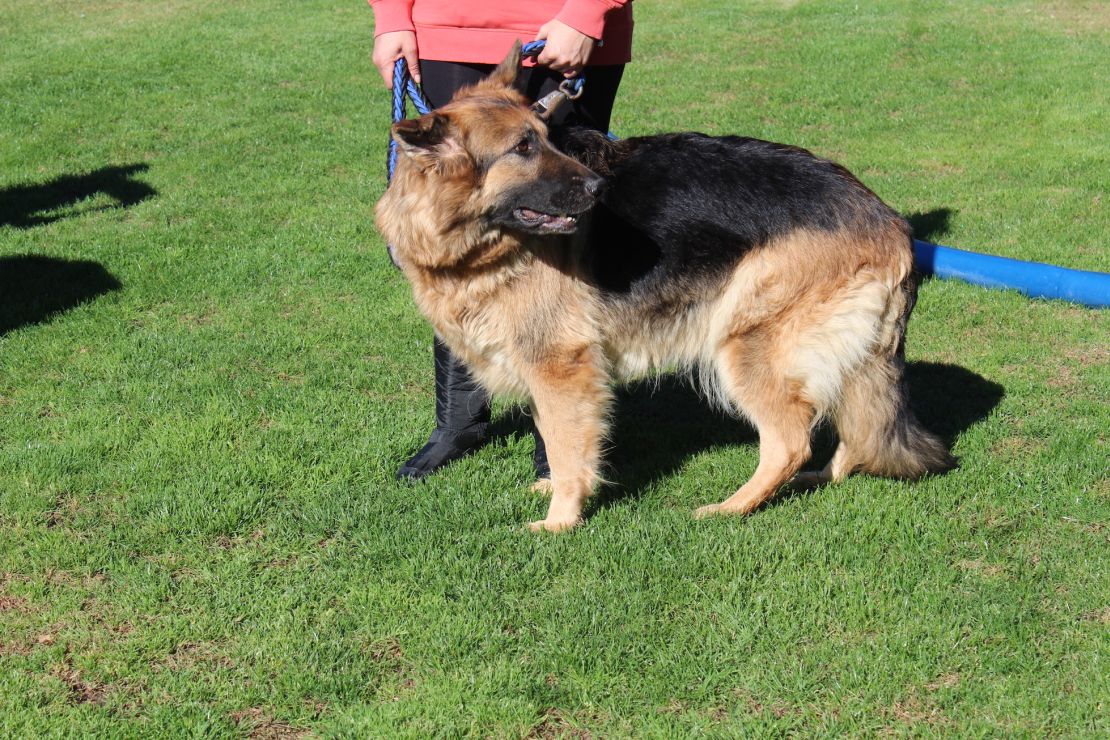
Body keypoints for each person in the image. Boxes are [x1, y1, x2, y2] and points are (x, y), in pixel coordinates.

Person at [369, 0, 633, 481]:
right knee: (456, 227)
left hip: (567, 28)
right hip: (444, 27)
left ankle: (556, 443)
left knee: (561, 214)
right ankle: (458, 424)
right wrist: (391, 18)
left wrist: (587, 13)